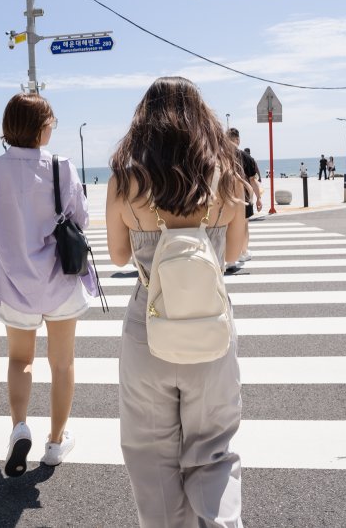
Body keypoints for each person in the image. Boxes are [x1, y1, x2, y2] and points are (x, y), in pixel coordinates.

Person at [106, 76, 247, 527]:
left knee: (149, 456)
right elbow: (233, 253)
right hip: (210, 329)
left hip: (148, 327)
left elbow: (119, 255)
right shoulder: (227, 178)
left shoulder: (125, 182)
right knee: (214, 452)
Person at [0, 93, 96, 477]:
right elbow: (83, 220)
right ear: (42, 127)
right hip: (60, 279)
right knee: (63, 363)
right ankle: (56, 443)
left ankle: (19, 428)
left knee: (19, 361)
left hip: (13, 282)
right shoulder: (62, 167)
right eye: (52, 122)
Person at [227, 129, 262, 270]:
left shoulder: (219, 155)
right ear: (238, 140)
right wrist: (258, 198)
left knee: (226, 227)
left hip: (226, 196)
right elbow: (253, 181)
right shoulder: (246, 157)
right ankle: (243, 252)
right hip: (244, 198)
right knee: (243, 226)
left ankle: (229, 260)